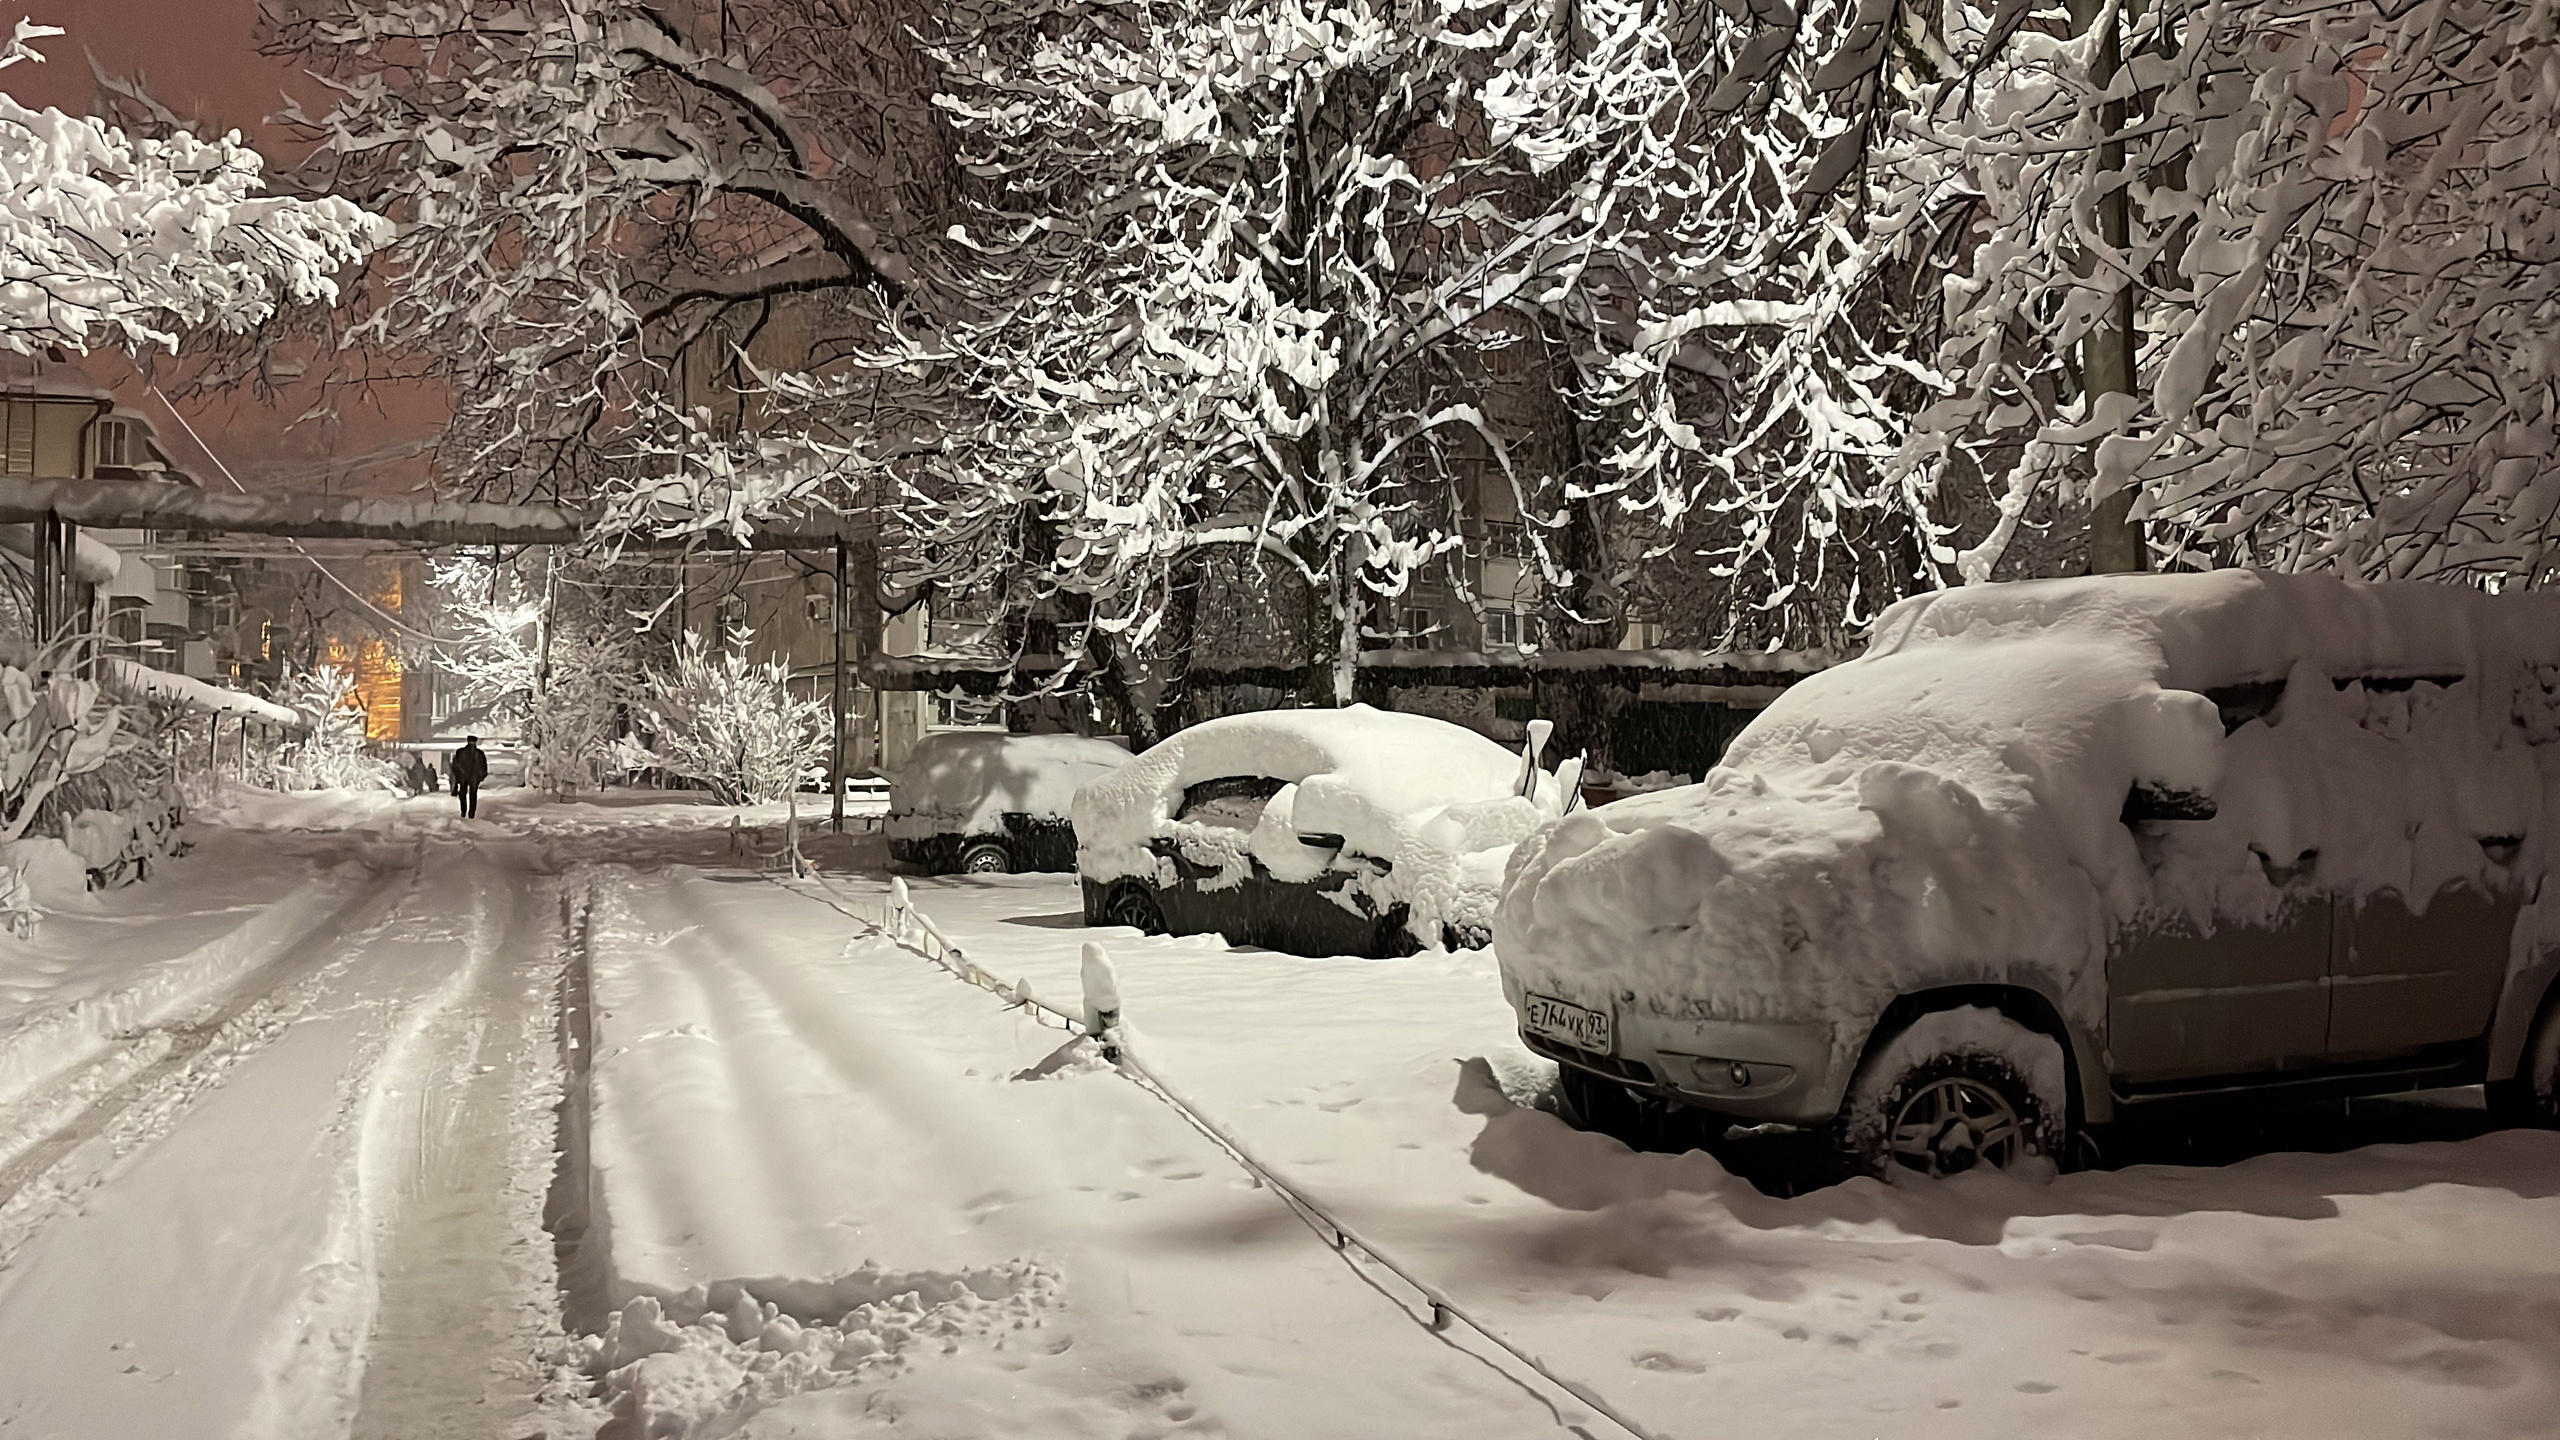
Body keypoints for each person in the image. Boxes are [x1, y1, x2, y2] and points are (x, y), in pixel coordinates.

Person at [450, 735, 488, 819]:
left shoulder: (460, 752)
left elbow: (455, 765)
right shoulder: (479, 753)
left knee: (464, 794)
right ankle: (471, 813)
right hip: (473, 777)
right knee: (472, 795)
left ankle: (464, 811)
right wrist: (481, 776)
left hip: (465, 776)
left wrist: (458, 776)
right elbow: (484, 766)